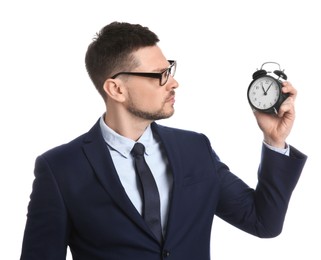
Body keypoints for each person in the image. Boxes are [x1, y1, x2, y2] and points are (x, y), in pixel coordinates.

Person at [20, 21, 307, 260]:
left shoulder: (195, 149)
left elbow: (263, 222)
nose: (173, 82)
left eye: (169, 68)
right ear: (116, 88)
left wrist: (274, 140)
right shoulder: (59, 169)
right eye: (160, 75)